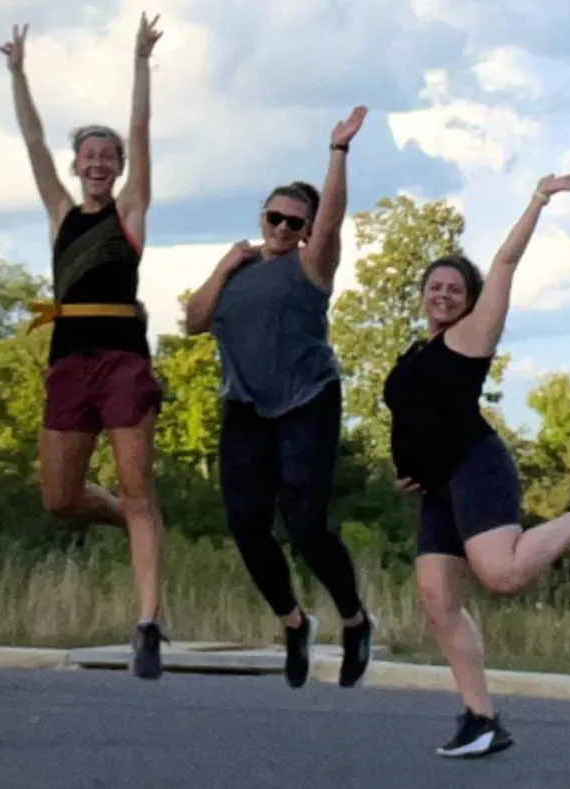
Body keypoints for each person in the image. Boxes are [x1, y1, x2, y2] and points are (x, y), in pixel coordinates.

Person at [381, 171, 570, 759]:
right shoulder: (416, 352)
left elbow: (502, 265)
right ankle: (481, 719)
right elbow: (415, 417)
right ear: (423, 294)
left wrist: (537, 199)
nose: (444, 294)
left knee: (501, 575)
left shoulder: (473, 337)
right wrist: (411, 470)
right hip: (437, 488)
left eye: (455, 288)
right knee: (436, 599)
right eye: (436, 286)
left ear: (470, 300)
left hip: (477, 467)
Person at [183, 106, 378, 691]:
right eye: (275, 217)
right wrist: (223, 266)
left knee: (304, 521)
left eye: (296, 222)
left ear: (307, 231)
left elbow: (334, 220)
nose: (283, 228)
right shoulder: (238, 274)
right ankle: (294, 623)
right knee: (245, 523)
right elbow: (194, 321)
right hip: (245, 406)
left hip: (306, 401)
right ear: (262, 218)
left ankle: (353, 618)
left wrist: (338, 152)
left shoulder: (310, 268)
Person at [0, 15, 170, 680]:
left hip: (124, 359)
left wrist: (139, 60)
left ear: (120, 169)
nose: (98, 163)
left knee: (137, 487)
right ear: (78, 166)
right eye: (89, 156)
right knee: (61, 499)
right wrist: (17, 73)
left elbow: (144, 132)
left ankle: (148, 621)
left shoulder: (130, 214)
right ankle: (136, 519)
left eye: (109, 156)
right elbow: (32, 139)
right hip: (68, 360)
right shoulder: (59, 213)